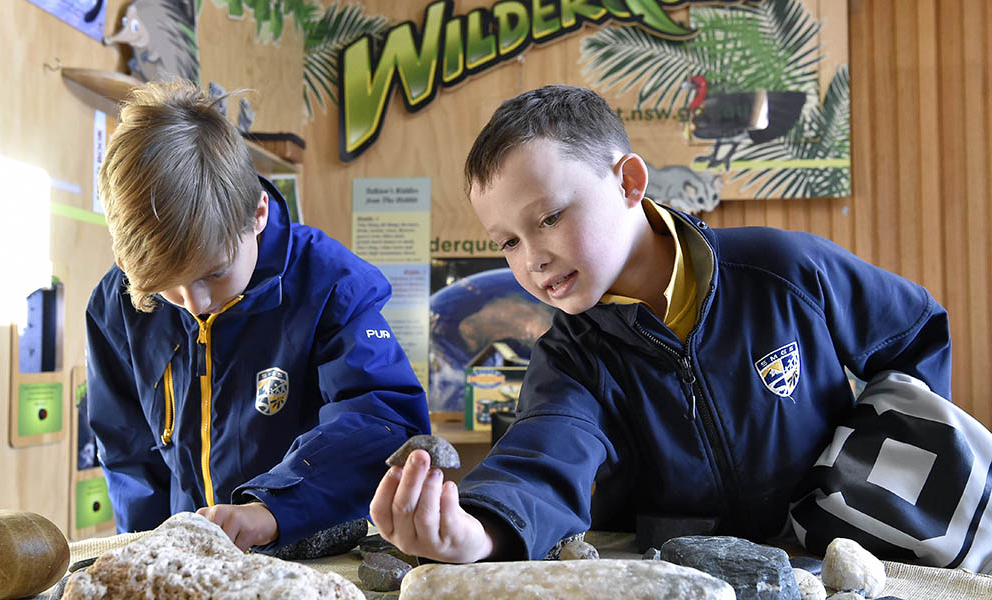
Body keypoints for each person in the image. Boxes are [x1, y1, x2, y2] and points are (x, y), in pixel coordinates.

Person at [370, 84, 951, 563]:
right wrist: (478, 532)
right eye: (507, 243)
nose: (532, 259)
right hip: (676, 576)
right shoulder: (571, 356)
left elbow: (914, 332)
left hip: (827, 563)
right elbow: (543, 458)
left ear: (628, 183)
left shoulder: (784, 269)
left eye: (547, 217)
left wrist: (884, 487)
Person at [86, 80, 430, 551]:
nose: (195, 303)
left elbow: (383, 420)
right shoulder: (117, 303)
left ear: (257, 214)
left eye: (215, 273)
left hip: (306, 542)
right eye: (168, 286)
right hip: (193, 555)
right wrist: (149, 550)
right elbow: (126, 451)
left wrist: (273, 508)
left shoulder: (330, 282)